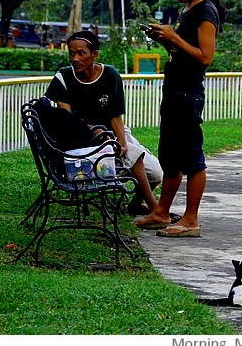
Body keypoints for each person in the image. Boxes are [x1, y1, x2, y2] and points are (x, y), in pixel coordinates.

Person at [133, 0, 226, 237]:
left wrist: (174, 38)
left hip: (188, 94)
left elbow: (205, 57)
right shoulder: (188, 7)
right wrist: (167, 41)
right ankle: (162, 212)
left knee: (192, 158)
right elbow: (183, 52)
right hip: (174, 90)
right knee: (170, 157)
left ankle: (190, 219)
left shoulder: (206, 11)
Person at [44, 30, 163, 216]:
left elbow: (116, 116)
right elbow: (67, 119)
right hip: (82, 140)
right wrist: (95, 131)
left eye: (81, 53)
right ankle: (157, 212)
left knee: (156, 173)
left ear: (94, 54)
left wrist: (122, 143)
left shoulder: (110, 75)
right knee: (135, 155)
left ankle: (136, 204)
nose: (75, 58)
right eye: (71, 53)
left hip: (112, 133)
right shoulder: (63, 77)